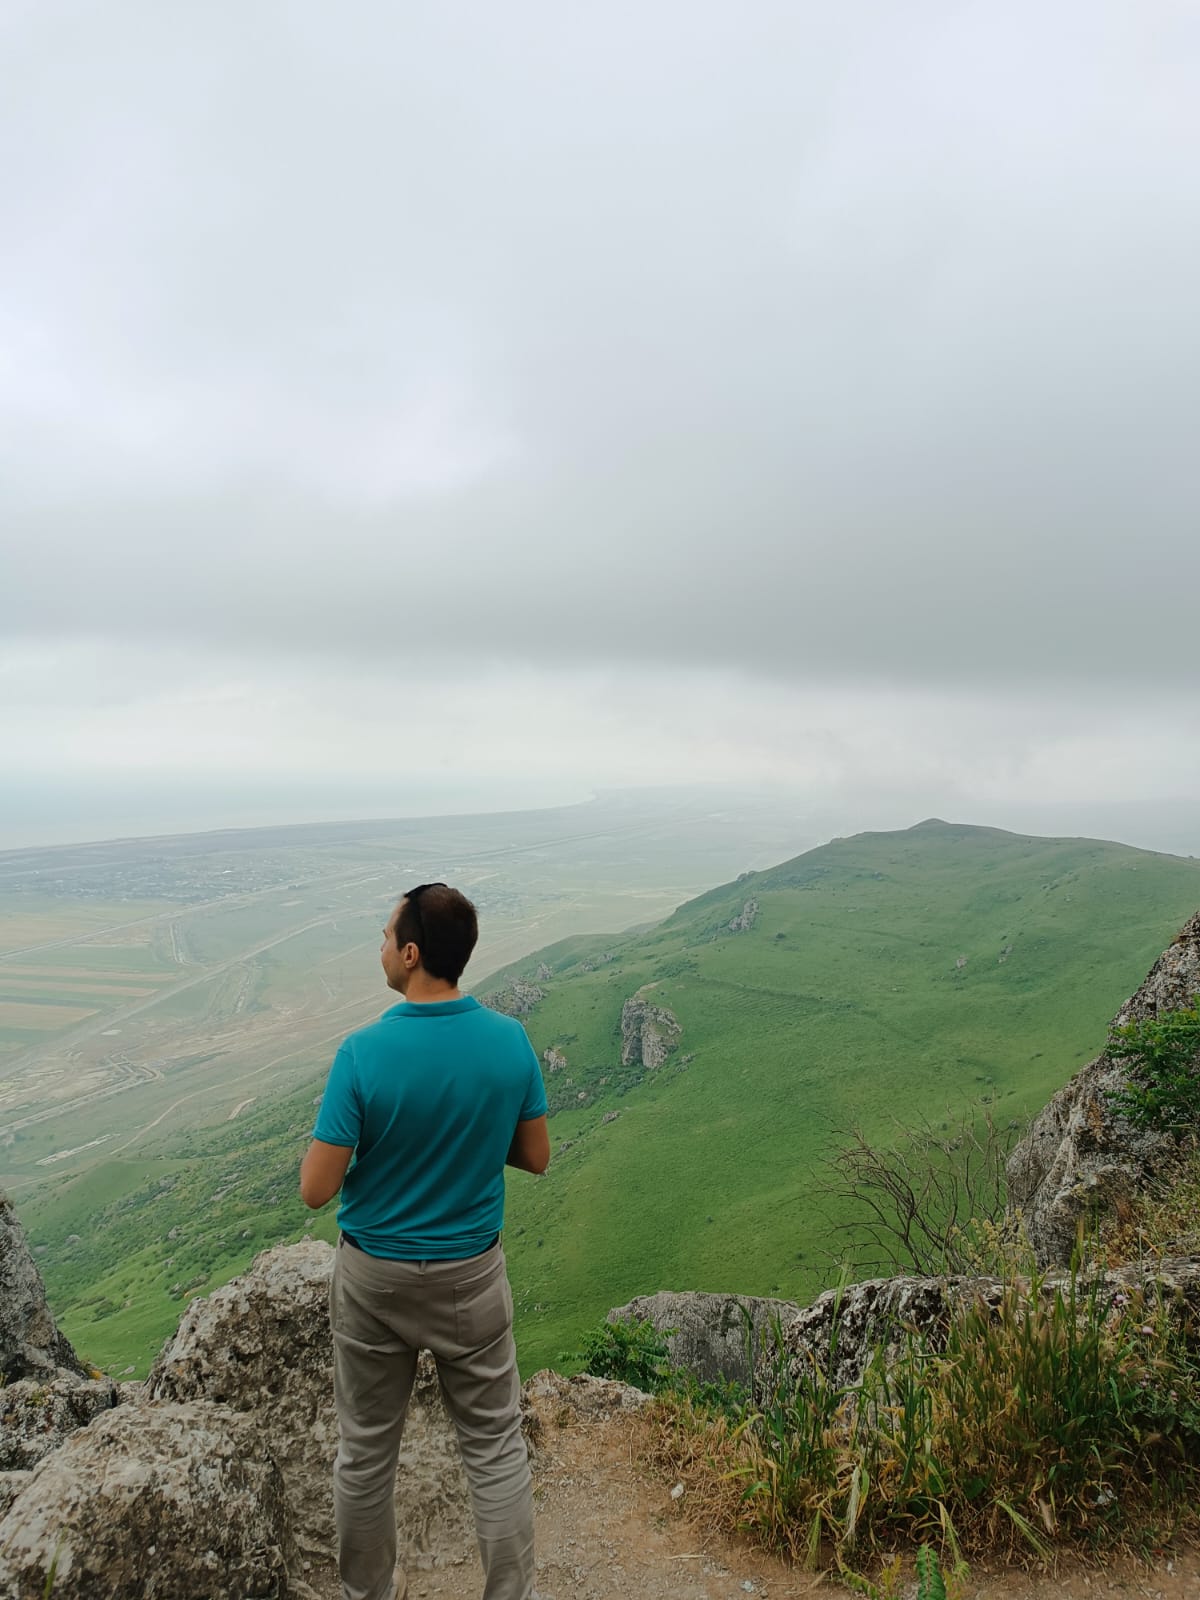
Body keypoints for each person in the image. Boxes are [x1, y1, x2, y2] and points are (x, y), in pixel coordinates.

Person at [300, 882, 550, 1600]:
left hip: (374, 1279)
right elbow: (534, 1156)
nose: (379, 946)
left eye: (385, 936)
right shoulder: (508, 1042)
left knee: (367, 1454)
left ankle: (364, 1594)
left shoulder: (362, 1052)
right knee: (495, 1448)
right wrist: (466, 1137)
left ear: (411, 955)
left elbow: (317, 1189)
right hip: (470, 1278)